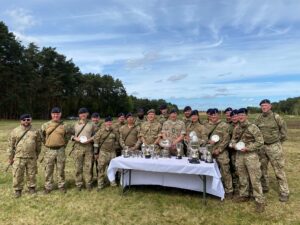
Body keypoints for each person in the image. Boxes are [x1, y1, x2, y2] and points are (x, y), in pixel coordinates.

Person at [255, 99, 289, 202]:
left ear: (270, 106)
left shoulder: (277, 117)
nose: (264, 107)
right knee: (262, 169)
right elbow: (254, 130)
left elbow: (284, 133)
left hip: (274, 147)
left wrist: (277, 143)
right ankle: (265, 187)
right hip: (262, 148)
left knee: (278, 169)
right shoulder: (258, 118)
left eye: (265, 105)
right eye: (262, 106)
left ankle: (284, 192)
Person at [232, 108, 265, 213]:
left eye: (242, 114)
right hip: (240, 155)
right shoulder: (236, 128)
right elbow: (233, 140)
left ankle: (260, 201)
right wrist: (233, 145)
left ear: (246, 115)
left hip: (251, 155)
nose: (240, 116)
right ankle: (244, 195)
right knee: (242, 177)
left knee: (255, 178)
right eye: (239, 114)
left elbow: (260, 142)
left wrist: (248, 148)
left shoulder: (253, 127)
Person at [7, 114, 41, 198]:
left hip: (31, 157)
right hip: (19, 157)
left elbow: (38, 144)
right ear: (21, 121)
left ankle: (31, 188)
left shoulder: (35, 131)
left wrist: (36, 154)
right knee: (18, 174)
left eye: (28, 119)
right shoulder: (15, 131)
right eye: (24, 119)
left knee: (31, 174)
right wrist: (10, 158)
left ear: (31, 120)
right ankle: (18, 190)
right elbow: (10, 146)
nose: (26, 121)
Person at [41, 107, 72, 194]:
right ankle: (48, 187)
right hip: (49, 151)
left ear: (60, 114)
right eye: (54, 114)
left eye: (57, 114)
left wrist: (63, 144)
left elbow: (67, 137)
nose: (56, 115)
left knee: (61, 169)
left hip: (60, 150)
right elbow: (42, 136)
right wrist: (48, 144)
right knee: (48, 170)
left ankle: (61, 186)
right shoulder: (45, 125)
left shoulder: (64, 125)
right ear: (51, 114)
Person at [205, 108, 233, 198]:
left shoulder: (224, 125)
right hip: (209, 152)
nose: (213, 116)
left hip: (221, 152)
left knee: (225, 171)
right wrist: (207, 141)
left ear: (218, 115)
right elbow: (203, 137)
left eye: (215, 114)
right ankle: (212, 189)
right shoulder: (206, 125)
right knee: (210, 171)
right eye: (212, 115)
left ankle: (229, 190)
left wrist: (219, 149)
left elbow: (226, 139)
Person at [71, 108, 97, 191]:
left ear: (87, 114)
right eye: (81, 113)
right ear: (79, 115)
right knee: (78, 167)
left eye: (84, 113)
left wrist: (90, 140)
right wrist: (75, 139)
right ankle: (79, 184)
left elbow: (97, 135)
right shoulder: (75, 124)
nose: (83, 115)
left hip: (88, 147)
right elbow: (70, 135)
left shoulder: (92, 124)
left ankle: (88, 184)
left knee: (88, 167)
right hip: (78, 148)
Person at [93, 116, 119, 190]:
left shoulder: (114, 131)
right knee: (101, 168)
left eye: (110, 122)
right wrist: (96, 153)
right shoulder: (100, 131)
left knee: (112, 168)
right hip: (103, 153)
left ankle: (112, 182)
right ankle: (100, 184)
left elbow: (117, 140)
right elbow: (96, 142)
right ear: (105, 123)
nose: (109, 123)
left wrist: (115, 147)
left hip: (112, 153)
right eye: (107, 122)